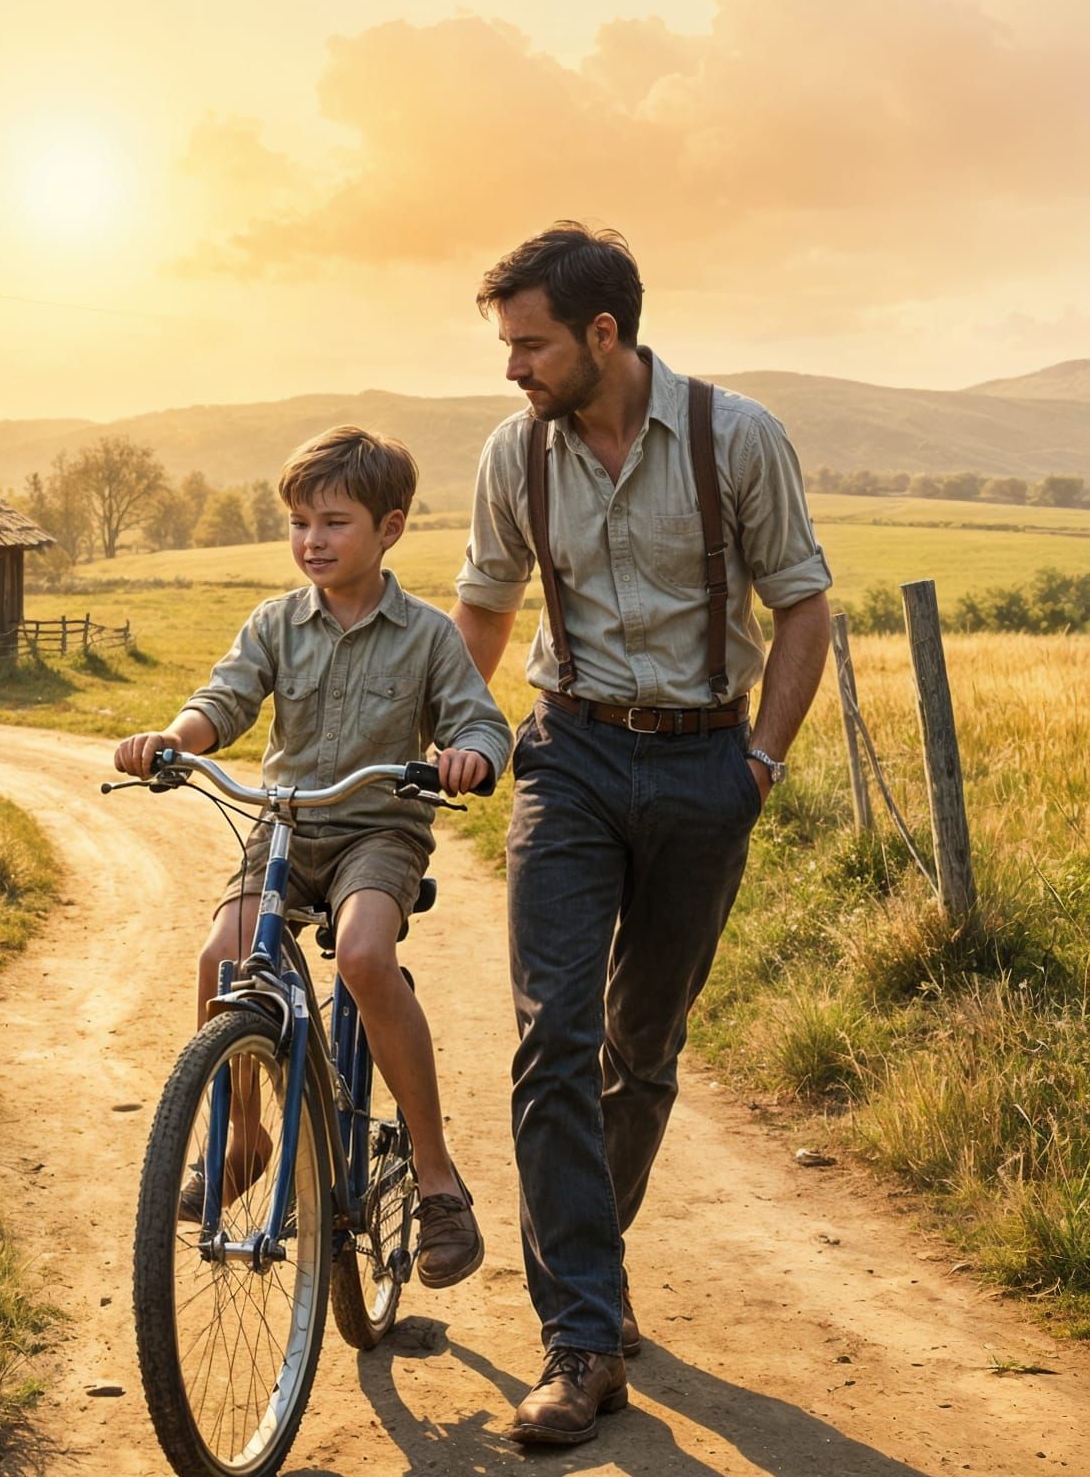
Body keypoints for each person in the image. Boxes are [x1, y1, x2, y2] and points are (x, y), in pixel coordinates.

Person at [450, 223, 832, 1445]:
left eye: (531, 344)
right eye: (508, 345)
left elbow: (803, 607)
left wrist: (758, 764)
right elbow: (485, 606)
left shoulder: (740, 437)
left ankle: (592, 1274)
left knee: (640, 1045)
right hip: (568, 754)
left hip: (707, 760)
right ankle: (579, 1337)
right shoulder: (517, 454)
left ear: (603, 334)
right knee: (551, 1033)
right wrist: (450, 742)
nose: (513, 369)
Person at [116, 425, 512, 1287]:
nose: (311, 542)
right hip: (285, 826)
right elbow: (222, 700)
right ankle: (244, 1137)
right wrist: (174, 740)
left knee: (367, 955)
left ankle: (440, 1184)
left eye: (333, 523)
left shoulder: (428, 637)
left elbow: (479, 719)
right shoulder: (274, 625)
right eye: (299, 524)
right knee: (223, 954)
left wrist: (468, 755)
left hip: (379, 829)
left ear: (390, 528)